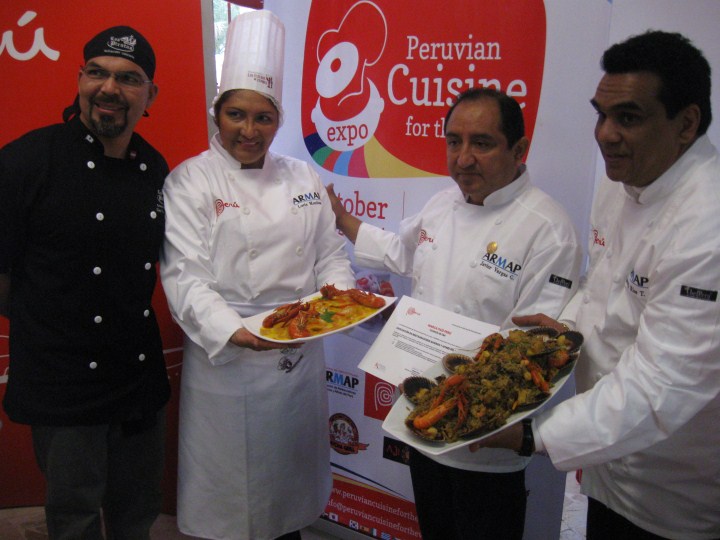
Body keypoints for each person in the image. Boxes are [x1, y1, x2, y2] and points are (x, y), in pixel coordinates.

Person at [475, 30, 720, 540]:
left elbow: (663, 387)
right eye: (601, 115)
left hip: (675, 492)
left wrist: (530, 434)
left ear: (686, 123)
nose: (605, 134)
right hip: (606, 467)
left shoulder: (707, 225)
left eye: (628, 117)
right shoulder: (623, 179)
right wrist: (565, 329)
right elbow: (599, 285)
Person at [327, 87, 582, 539]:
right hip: (423, 422)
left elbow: (531, 352)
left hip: (487, 440)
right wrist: (342, 218)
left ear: (519, 150)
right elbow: (400, 252)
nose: (463, 159)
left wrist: (468, 407)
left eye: (481, 143)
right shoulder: (442, 204)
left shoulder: (549, 231)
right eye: (453, 142)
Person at [159, 10, 355, 540]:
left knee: (289, 491)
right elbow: (185, 278)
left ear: (278, 120)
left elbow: (330, 253)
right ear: (216, 113)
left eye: (263, 118)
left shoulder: (302, 176)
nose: (249, 131)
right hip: (229, 361)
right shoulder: (190, 181)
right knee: (233, 498)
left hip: (300, 350)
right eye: (236, 115)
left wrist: (338, 302)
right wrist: (238, 332)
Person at [0, 26, 170, 539]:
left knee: (137, 511)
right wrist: (50, 322)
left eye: (128, 78)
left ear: (150, 95)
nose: (109, 88)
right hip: (63, 379)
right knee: (73, 516)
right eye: (97, 73)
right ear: (79, 80)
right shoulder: (26, 160)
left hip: (137, 375)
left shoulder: (153, 167)